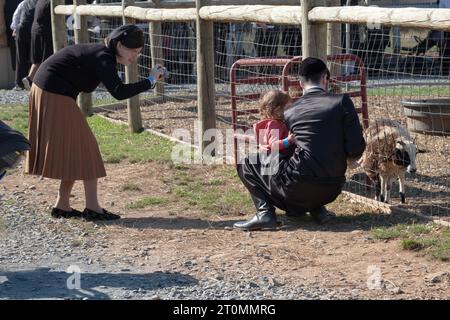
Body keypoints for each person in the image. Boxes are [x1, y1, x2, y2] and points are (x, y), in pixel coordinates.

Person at [25, 24, 166, 220]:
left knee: (74, 150)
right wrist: (150, 81)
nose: (134, 57)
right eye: (132, 51)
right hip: (53, 93)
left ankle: (62, 205)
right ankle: (92, 208)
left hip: (48, 91)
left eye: (138, 53)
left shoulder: (103, 55)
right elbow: (119, 92)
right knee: (87, 148)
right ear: (118, 45)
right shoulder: (103, 57)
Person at [233, 57, 366, 231]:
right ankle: (316, 209)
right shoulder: (342, 102)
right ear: (325, 78)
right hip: (333, 187)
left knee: (247, 163)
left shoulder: (290, 111)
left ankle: (264, 213)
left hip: (296, 185)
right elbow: (356, 147)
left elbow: (288, 149)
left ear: (301, 83)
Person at [253, 90, 295, 155]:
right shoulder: (275, 125)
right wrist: (288, 141)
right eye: (289, 107)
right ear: (277, 110)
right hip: (278, 159)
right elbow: (274, 145)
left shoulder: (272, 123)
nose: (292, 110)